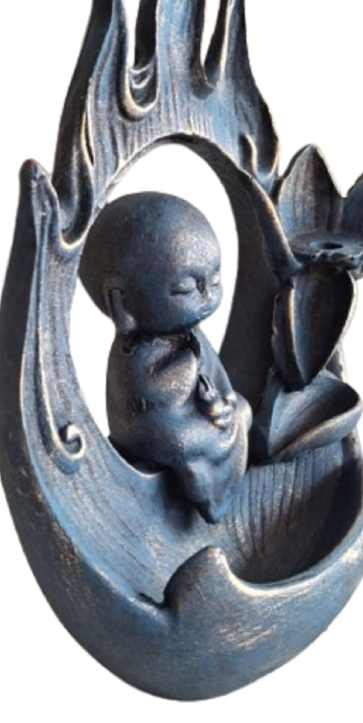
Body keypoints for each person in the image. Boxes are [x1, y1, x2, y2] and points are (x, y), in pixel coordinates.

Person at [79, 192, 250, 522]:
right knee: (185, 444)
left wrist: (223, 404)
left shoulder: (192, 337)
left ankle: (221, 497)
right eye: (186, 289)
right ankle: (209, 498)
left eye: (214, 281)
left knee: (242, 410)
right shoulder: (134, 356)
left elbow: (218, 380)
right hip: (159, 429)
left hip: (198, 420)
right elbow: (144, 417)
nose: (207, 297)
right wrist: (186, 368)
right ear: (122, 303)